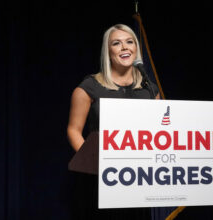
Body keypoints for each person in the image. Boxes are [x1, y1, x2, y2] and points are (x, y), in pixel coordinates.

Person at [67, 24, 160, 219]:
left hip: (139, 181)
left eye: (130, 42)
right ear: (108, 52)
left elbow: (159, 132)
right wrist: (95, 164)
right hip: (101, 181)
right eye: (116, 43)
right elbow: (74, 130)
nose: (124, 47)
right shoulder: (90, 87)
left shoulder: (150, 89)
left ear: (136, 49)